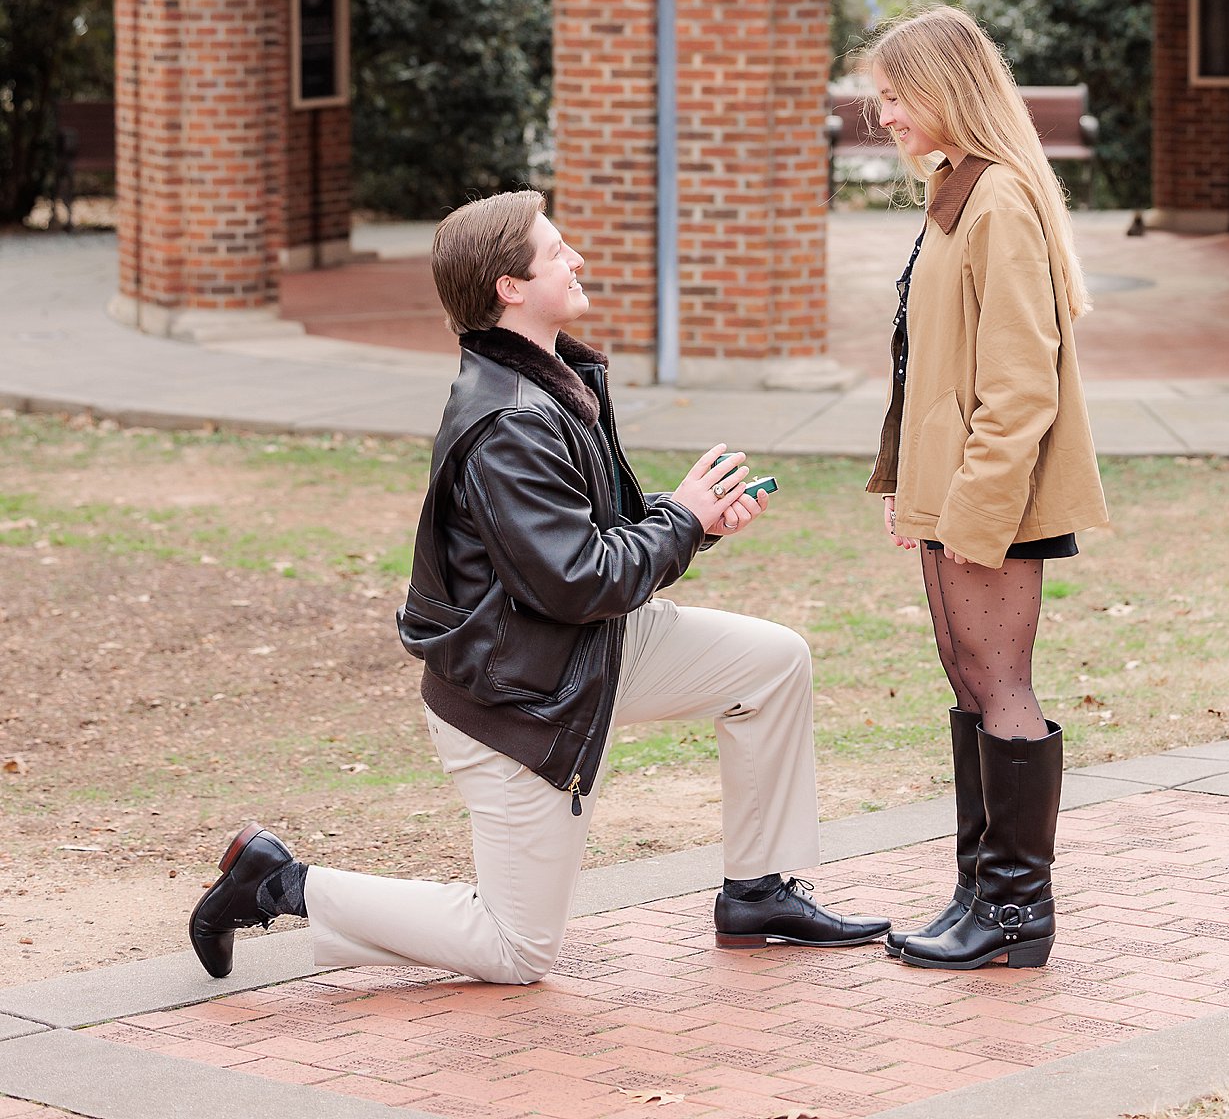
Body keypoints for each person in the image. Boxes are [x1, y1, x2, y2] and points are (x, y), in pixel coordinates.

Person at [188, 189, 889, 984]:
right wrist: (683, 519)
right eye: (557, 252)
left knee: (772, 664)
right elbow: (577, 580)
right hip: (518, 700)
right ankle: (277, 883)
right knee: (516, 950)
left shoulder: (553, 384)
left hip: (578, 649)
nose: (577, 259)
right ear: (510, 287)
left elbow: (587, 540)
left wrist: (695, 520)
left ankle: (758, 893)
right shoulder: (511, 420)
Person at [865, 7, 1108, 971]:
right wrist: (909, 483)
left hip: (993, 498)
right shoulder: (954, 188)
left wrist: (971, 514)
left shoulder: (998, 198)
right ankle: (981, 893)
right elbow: (925, 361)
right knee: (970, 683)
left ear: (945, 89)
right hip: (955, 487)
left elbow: (1019, 385)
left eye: (896, 96)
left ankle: (1015, 912)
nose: (883, 115)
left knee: (1000, 683)